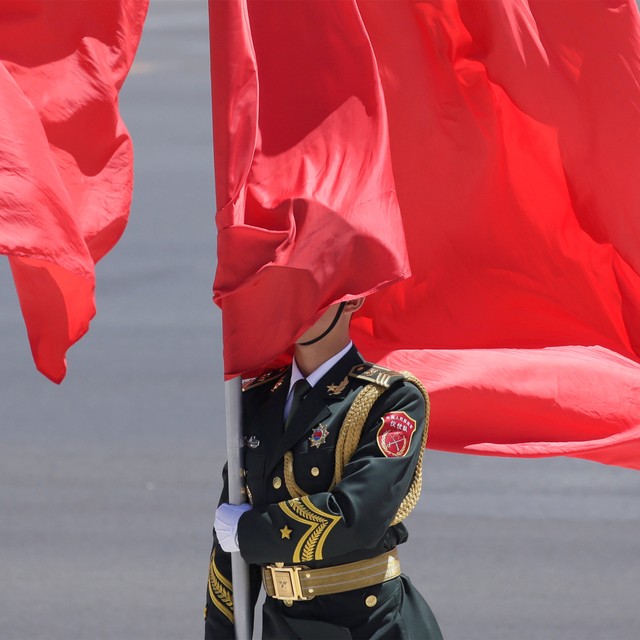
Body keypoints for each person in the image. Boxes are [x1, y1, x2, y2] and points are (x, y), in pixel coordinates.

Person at [204, 298, 443, 639]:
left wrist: (250, 532)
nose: (296, 304)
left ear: (353, 300)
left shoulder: (389, 400)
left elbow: (356, 517)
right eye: (290, 291)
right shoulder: (256, 400)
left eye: (314, 292)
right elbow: (228, 551)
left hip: (369, 624)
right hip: (283, 628)